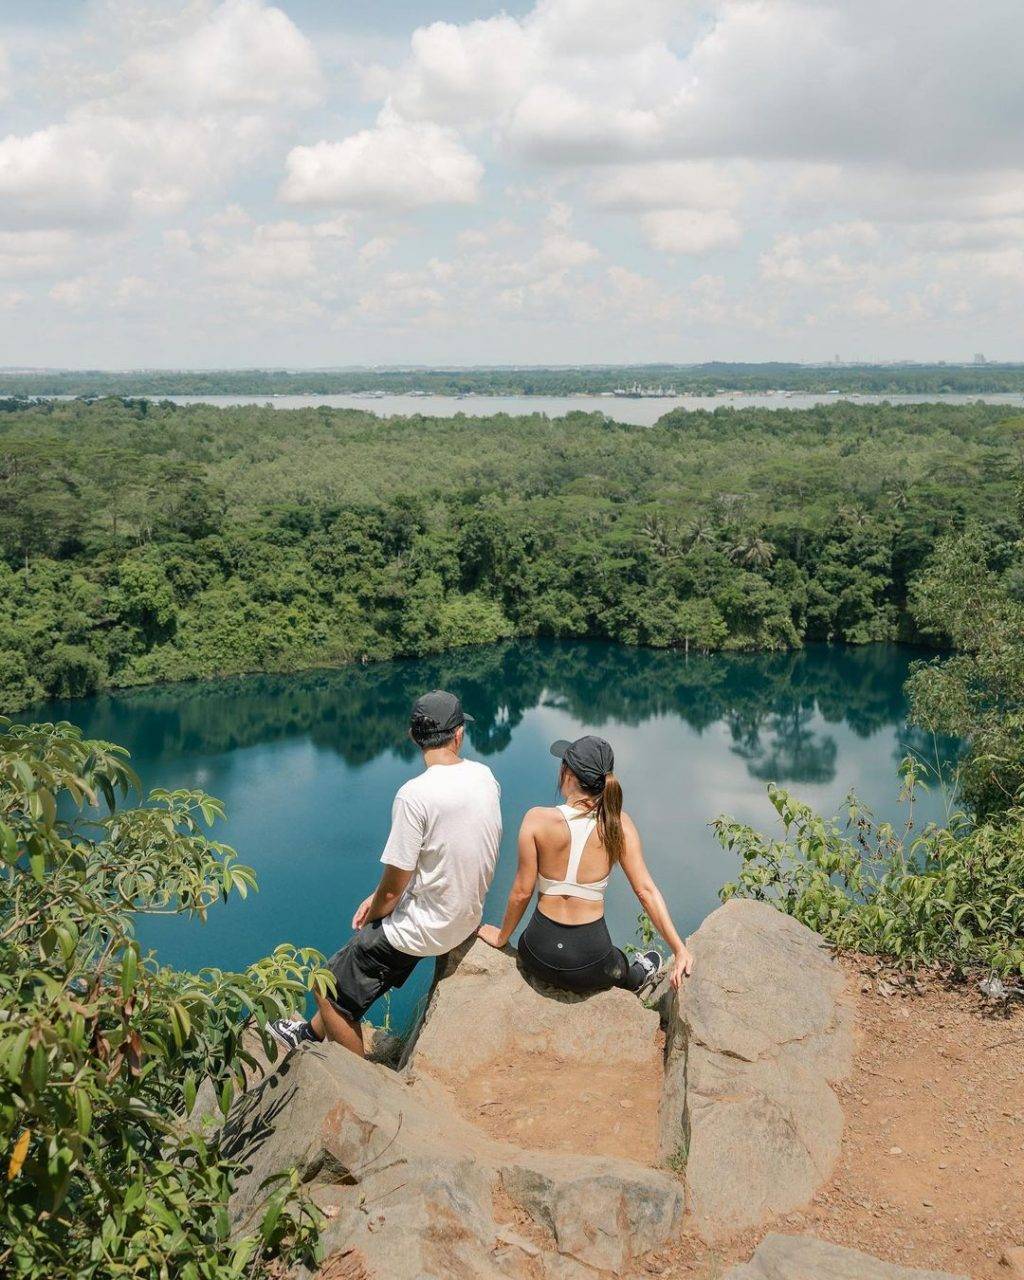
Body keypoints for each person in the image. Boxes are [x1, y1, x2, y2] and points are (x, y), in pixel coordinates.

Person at [269, 690, 502, 1056]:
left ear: (413, 736)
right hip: (466, 916)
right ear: (458, 735)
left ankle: (359, 1081)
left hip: (428, 928)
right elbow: (444, 856)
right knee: (352, 973)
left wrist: (376, 909)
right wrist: (381, 899)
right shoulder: (484, 776)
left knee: (324, 985)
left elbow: (392, 892)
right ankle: (311, 1033)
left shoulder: (415, 795)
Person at [477, 735, 693, 994]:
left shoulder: (536, 820)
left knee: (554, 949)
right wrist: (679, 950)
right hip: (591, 966)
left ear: (567, 773)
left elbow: (522, 892)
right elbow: (645, 891)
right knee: (619, 965)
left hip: (536, 955)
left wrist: (502, 938)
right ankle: (637, 977)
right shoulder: (618, 825)